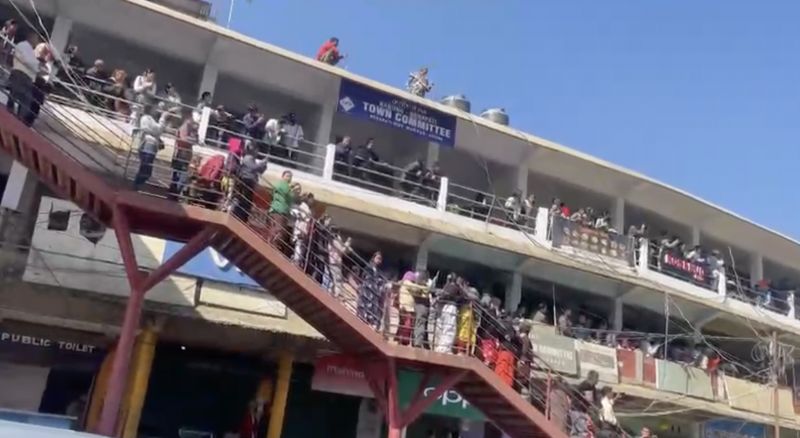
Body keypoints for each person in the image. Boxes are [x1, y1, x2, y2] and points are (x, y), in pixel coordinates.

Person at [6, 30, 41, 126]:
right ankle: (13, 120)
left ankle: (16, 120)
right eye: (36, 38)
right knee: (21, 98)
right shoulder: (24, 46)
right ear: (31, 37)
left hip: (25, 77)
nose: (37, 41)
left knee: (23, 100)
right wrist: (38, 65)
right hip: (21, 75)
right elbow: (26, 60)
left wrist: (38, 68)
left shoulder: (29, 49)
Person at [133, 104, 164, 189]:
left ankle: (137, 184)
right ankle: (137, 184)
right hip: (147, 144)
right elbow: (152, 130)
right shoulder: (145, 118)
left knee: (146, 167)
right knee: (145, 166)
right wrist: (156, 133)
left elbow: (156, 130)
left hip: (150, 144)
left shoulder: (150, 119)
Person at [168, 112, 198, 199]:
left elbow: (195, 139)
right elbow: (184, 139)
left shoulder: (191, 129)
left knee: (177, 176)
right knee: (181, 176)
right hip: (181, 154)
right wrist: (192, 139)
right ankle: (174, 194)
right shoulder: (185, 127)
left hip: (184, 154)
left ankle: (173, 194)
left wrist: (193, 138)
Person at [358, 251, 385, 329]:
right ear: (373, 258)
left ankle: (370, 321)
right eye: (377, 258)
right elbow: (364, 276)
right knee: (365, 304)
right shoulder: (368, 267)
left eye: (380, 259)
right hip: (367, 289)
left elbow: (380, 280)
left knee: (373, 306)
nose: (379, 260)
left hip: (374, 291)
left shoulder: (377, 270)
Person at [268, 170, 294, 248]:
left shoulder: (284, 186)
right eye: (287, 176)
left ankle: (272, 243)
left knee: (276, 228)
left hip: (279, 209)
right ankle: (273, 243)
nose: (289, 178)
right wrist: (291, 189)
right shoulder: (283, 184)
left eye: (290, 177)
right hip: (279, 209)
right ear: (283, 176)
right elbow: (289, 195)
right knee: (279, 228)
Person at [291, 193, 314, 265]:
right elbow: (297, 213)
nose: (312, 201)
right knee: (299, 245)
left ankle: (298, 260)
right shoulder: (303, 206)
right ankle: (296, 260)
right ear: (308, 199)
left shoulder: (307, 208)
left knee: (301, 246)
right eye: (311, 199)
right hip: (300, 228)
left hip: (304, 229)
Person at [327, 229, 351, 298]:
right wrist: (348, 242)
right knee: (338, 280)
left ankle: (332, 293)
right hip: (335, 262)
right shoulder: (334, 241)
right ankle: (337, 295)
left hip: (333, 262)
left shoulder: (330, 241)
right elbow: (342, 250)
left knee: (334, 279)